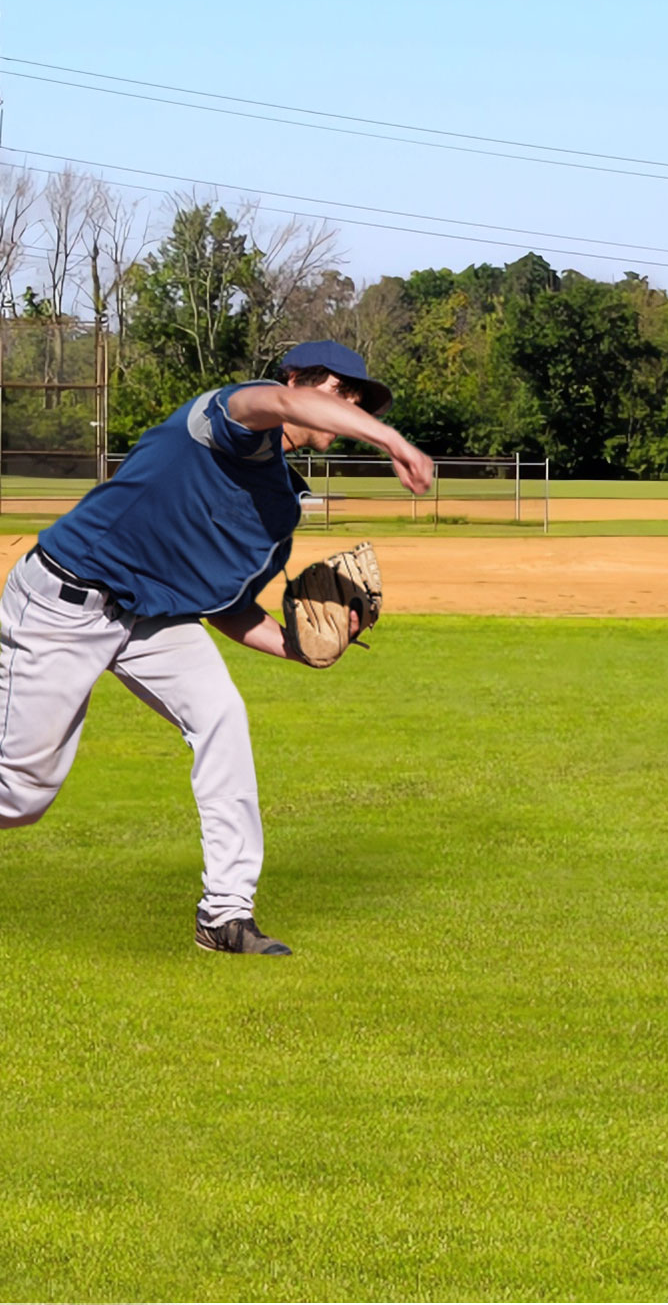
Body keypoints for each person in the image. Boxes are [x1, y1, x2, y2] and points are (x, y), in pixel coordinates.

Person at [0, 340, 433, 955]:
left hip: (149, 616)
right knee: (20, 797)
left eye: (360, 400)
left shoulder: (278, 510)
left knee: (221, 716)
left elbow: (224, 607)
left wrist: (301, 648)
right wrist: (393, 441)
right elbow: (280, 404)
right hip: (65, 599)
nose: (354, 405)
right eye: (343, 392)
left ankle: (225, 914)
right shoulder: (230, 420)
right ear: (298, 381)